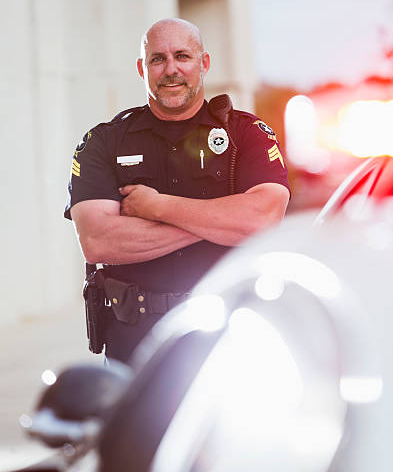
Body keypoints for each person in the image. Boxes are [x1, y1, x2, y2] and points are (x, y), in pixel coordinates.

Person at [64, 18, 290, 363]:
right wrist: (220, 221)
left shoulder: (248, 135)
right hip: (135, 340)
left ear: (204, 63)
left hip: (230, 337)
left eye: (182, 56)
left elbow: (262, 219)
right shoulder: (103, 142)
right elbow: (98, 241)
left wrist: (157, 207)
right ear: (142, 68)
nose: (171, 69)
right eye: (158, 59)